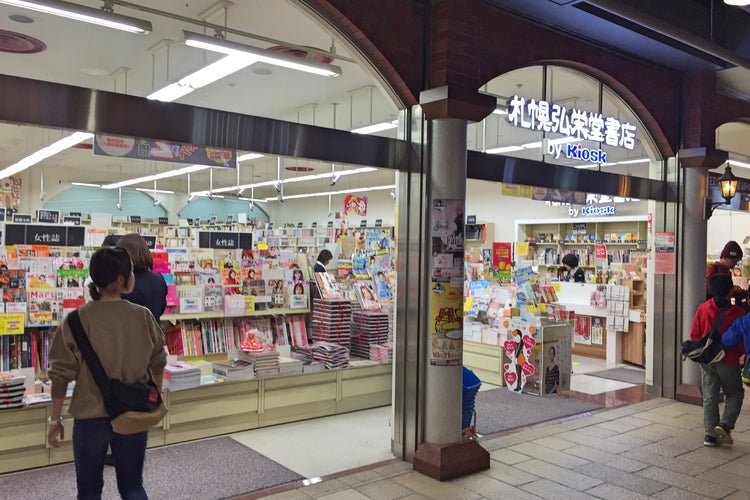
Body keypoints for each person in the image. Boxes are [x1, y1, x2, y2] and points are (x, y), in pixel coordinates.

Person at [46, 246, 167, 498]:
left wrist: (55, 419)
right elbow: (158, 362)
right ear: (122, 279)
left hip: (89, 417)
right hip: (132, 412)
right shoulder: (142, 317)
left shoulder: (76, 320)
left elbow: (59, 374)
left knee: (88, 491)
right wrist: (155, 400)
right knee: (133, 487)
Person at [691, 273, 745, 447]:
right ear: (731, 291)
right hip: (728, 359)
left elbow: (695, 335)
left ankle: (710, 436)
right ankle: (725, 424)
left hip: (707, 359)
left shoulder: (703, 308)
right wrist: (740, 354)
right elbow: (742, 339)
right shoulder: (737, 313)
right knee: (735, 393)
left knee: (709, 396)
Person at [117, 233, 168, 322]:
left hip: (126, 334)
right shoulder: (158, 279)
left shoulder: (119, 282)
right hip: (152, 333)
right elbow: (161, 309)